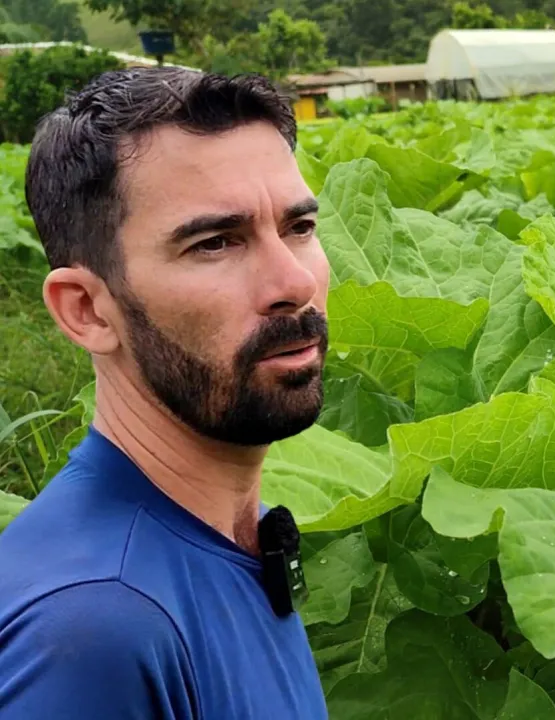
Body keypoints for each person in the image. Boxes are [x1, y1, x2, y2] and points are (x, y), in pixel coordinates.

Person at [0, 67, 330, 718]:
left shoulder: (229, 537)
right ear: (87, 310)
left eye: (298, 227)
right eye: (215, 243)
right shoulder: (94, 633)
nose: (295, 282)